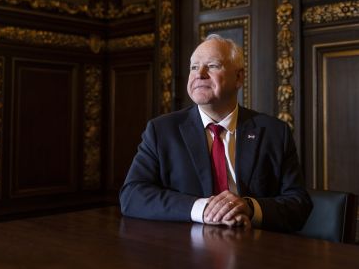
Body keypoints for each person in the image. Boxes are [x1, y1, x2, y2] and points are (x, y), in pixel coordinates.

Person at [119, 34, 312, 232]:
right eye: (194, 67)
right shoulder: (162, 131)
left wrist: (250, 208)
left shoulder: (274, 132)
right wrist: (203, 209)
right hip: (184, 250)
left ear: (238, 77)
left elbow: (299, 204)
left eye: (212, 66)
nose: (199, 74)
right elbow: (132, 195)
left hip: (256, 248)